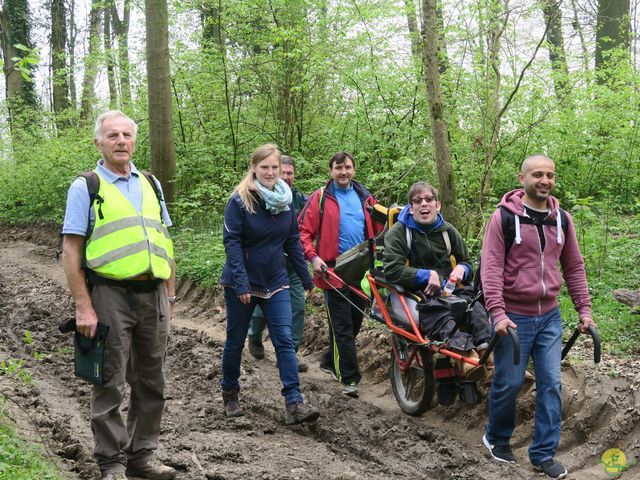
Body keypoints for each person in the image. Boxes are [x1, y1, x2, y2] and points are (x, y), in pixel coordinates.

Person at [62, 111, 176, 480]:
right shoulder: (87, 186)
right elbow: (71, 250)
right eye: (113, 135)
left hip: (154, 294)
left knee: (151, 380)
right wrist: (83, 306)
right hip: (109, 294)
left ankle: (142, 456)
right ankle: (111, 461)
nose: (122, 141)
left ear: (135, 140)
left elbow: (164, 240)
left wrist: (170, 295)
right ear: (99, 142)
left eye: (127, 134)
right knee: (109, 380)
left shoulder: (151, 184)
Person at [480, 154, 595, 479]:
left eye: (550, 175)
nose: (545, 181)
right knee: (511, 381)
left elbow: (573, 267)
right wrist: (497, 313)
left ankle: (543, 453)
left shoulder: (562, 220)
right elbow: (490, 268)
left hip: (550, 317)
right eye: (538, 175)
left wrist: (584, 309)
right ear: (522, 178)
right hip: (513, 317)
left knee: (551, 384)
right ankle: (497, 438)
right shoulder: (503, 218)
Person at [220, 144, 320, 425]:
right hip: (242, 282)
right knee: (235, 341)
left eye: (274, 168)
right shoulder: (240, 201)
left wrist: (305, 277)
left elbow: (292, 241)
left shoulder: (284, 201)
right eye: (264, 167)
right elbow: (232, 243)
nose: (270, 172)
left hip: (276, 280)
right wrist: (240, 284)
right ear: (254, 168)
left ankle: (294, 401)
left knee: (284, 340)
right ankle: (230, 393)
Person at [383, 182, 491, 379]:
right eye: (417, 201)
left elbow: (467, 261)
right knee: (437, 312)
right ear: (411, 207)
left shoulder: (448, 231)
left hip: (450, 290)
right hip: (417, 294)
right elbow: (392, 270)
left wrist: (462, 269)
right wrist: (425, 275)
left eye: (429, 200)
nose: (424, 204)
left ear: (438, 205)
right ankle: (464, 356)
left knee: (474, 305)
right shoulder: (398, 233)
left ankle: (488, 355)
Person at [298, 151, 381, 398]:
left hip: (360, 271)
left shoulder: (366, 198)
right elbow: (302, 232)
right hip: (331, 271)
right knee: (343, 327)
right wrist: (314, 258)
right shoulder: (320, 198)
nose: (343, 172)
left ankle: (328, 361)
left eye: (347, 167)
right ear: (331, 171)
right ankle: (350, 378)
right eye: (338, 168)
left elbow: (379, 229)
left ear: (353, 170)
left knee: (353, 323)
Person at [247, 156, 309, 372]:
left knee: (298, 308)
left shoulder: (302, 201)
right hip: (268, 265)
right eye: (284, 173)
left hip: (293, 264)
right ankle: (254, 336)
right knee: (263, 310)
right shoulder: (259, 197)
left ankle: (289, 353)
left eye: (290, 173)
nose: (287, 177)